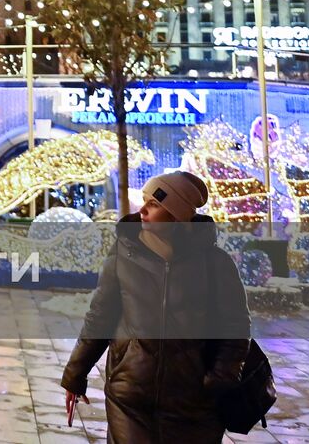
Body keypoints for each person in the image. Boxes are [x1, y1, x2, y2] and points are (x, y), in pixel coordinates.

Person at [60, 171, 251, 443]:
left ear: (175, 214)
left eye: (153, 204)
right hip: (130, 396)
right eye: (144, 202)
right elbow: (99, 317)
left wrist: (219, 378)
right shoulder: (122, 254)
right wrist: (74, 375)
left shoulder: (215, 263)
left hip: (194, 403)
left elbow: (236, 326)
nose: (143, 210)